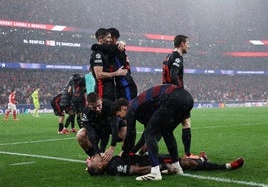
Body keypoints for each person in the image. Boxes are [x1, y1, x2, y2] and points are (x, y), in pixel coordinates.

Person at [122, 84, 193, 181]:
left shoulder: (131, 107)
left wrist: (125, 152)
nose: (122, 119)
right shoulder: (145, 107)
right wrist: (135, 151)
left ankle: (155, 171)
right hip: (187, 98)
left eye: (119, 116)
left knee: (150, 133)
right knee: (166, 131)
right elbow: (148, 131)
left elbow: (131, 132)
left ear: (123, 108)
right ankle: (177, 167)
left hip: (173, 98)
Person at [162, 35, 194, 159]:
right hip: (175, 96)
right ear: (182, 43)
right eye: (187, 43)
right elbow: (173, 74)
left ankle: (141, 152)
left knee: (159, 127)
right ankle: (187, 154)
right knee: (185, 123)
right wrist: (178, 91)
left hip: (166, 94)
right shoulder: (177, 58)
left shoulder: (168, 56)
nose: (188, 46)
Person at [86, 151, 244, 176]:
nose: (93, 156)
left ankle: (202, 159)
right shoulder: (114, 167)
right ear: (100, 166)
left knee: (181, 160)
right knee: (187, 163)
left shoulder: (111, 162)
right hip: (153, 161)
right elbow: (136, 170)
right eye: (93, 159)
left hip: (149, 156)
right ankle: (227, 166)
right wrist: (160, 167)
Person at [76, 92, 128, 160]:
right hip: (98, 128)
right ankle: (93, 156)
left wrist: (112, 147)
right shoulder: (86, 113)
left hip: (110, 126)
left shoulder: (110, 105)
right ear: (88, 105)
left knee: (126, 131)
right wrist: (97, 152)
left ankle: (124, 154)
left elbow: (114, 126)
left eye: (99, 105)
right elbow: (90, 132)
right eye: (94, 107)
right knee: (80, 134)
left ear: (101, 100)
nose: (97, 109)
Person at [90, 28, 127, 101]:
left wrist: (122, 43)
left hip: (111, 90)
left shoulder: (106, 51)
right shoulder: (97, 54)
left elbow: (116, 46)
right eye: (108, 37)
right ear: (100, 39)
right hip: (102, 90)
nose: (110, 40)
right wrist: (117, 73)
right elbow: (99, 74)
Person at [108, 28, 137, 101]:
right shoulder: (118, 47)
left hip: (125, 84)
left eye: (108, 37)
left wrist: (122, 43)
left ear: (113, 38)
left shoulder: (117, 49)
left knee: (127, 108)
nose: (107, 40)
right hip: (121, 84)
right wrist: (122, 42)